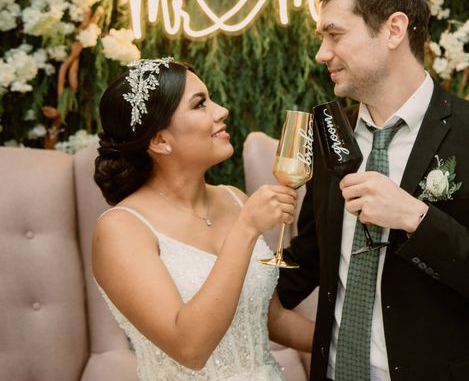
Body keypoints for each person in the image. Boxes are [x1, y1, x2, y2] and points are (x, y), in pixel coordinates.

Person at [277, 0, 469, 381]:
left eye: (335, 34)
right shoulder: (330, 133)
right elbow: (309, 258)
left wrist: (415, 218)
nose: (321, 53)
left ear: (394, 30)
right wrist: (227, 279)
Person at [92, 57, 313, 381]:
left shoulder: (235, 199)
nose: (221, 110)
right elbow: (190, 347)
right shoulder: (121, 229)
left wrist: (363, 345)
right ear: (160, 141)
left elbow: (268, 318)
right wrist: (247, 229)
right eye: (200, 105)